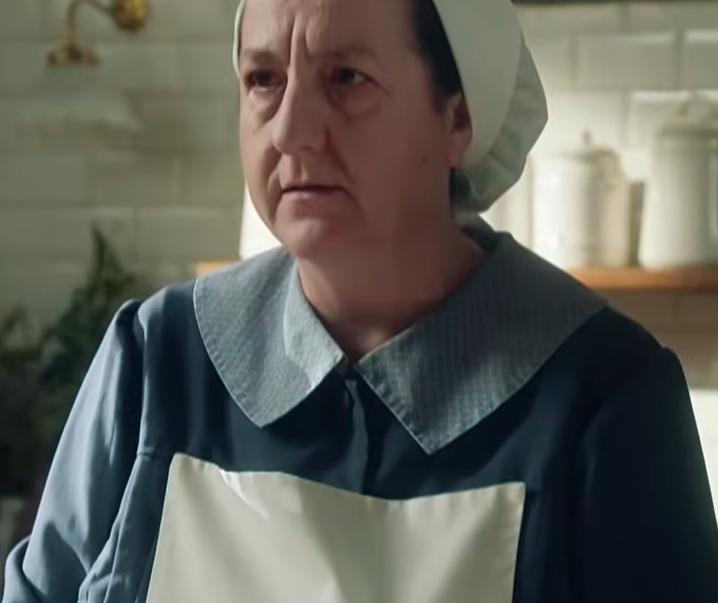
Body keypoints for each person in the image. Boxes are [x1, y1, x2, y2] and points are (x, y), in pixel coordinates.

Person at [4, 0, 718, 600]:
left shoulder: (605, 397)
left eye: (346, 78)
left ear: (459, 120)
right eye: (263, 79)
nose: (289, 131)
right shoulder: (158, 357)